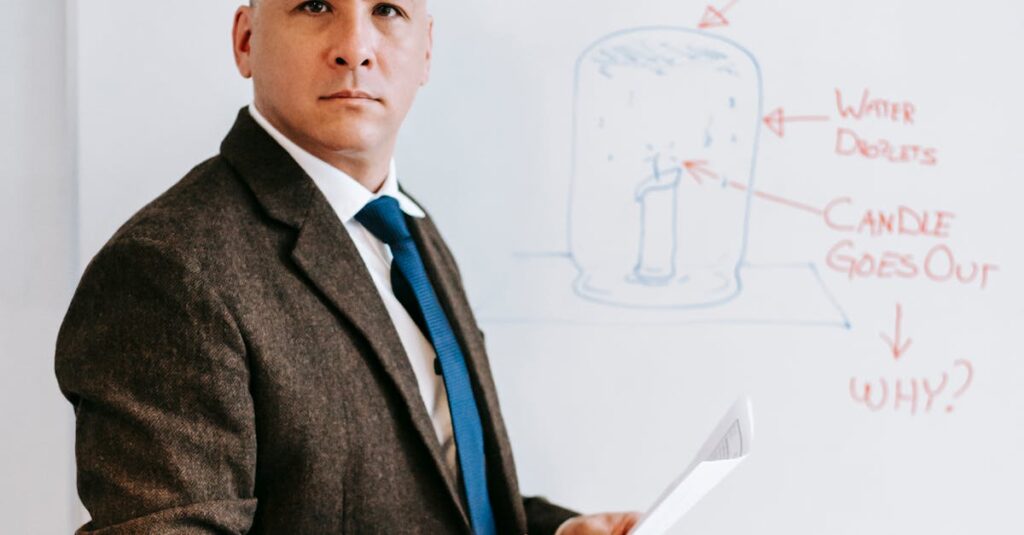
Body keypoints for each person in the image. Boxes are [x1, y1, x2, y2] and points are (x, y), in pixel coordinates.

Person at [55, 1, 641, 534]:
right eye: (314, 5)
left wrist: (556, 533)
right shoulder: (166, 270)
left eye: (387, 10)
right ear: (246, 40)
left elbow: (437, 493)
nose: (355, 46)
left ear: (426, 52)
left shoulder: (405, 229)